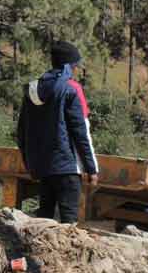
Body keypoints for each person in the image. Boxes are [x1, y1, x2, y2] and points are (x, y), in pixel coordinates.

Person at [16, 41, 99, 223]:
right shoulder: (71, 89)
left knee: (44, 219)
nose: (77, 70)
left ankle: (34, 251)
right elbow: (80, 131)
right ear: (68, 65)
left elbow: (21, 132)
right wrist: (91, 168)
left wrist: (29, 163)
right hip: (67, 168)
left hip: (44, 169)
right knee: (68, 222)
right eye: (76, 65)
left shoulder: (31, 90)